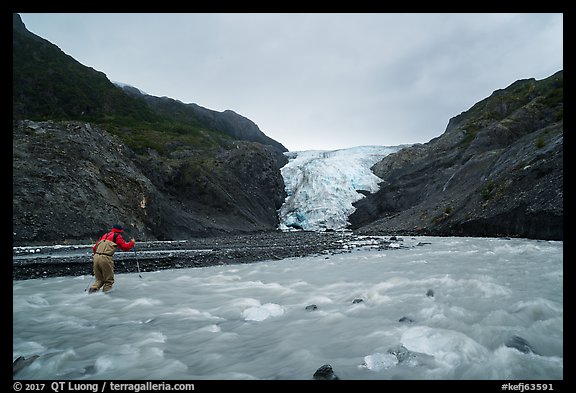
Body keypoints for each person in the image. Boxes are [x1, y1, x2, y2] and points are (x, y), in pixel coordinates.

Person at [88, 224, 135, 294]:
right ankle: (105, 297)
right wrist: (132, 243)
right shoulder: (117, 236)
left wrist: (97, 256)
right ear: (120, 231)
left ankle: (91, 294)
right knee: (108, 281)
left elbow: (94, 248)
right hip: (106, 258)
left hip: (96, 257)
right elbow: (125, 247)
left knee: (99, 280)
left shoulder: (105, 235)